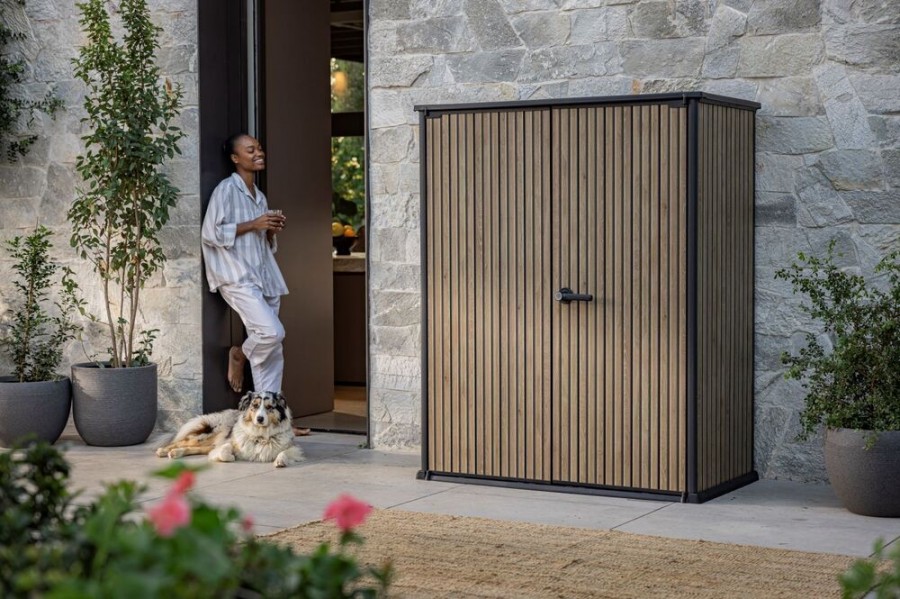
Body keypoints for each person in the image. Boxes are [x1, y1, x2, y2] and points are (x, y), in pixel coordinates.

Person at [201, 133, 310, 436]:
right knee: (271, 333)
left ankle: (276, 422)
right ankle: (240, 353)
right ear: (235, 158)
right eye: (250, 150)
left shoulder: (259, 196)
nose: (258, 153)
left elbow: (261, 243)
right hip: (237, 276)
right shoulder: (226, 190)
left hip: (264, 276)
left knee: (273, 351)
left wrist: (270, 230)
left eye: (259, 148)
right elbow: (210, 233)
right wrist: (254, 224)